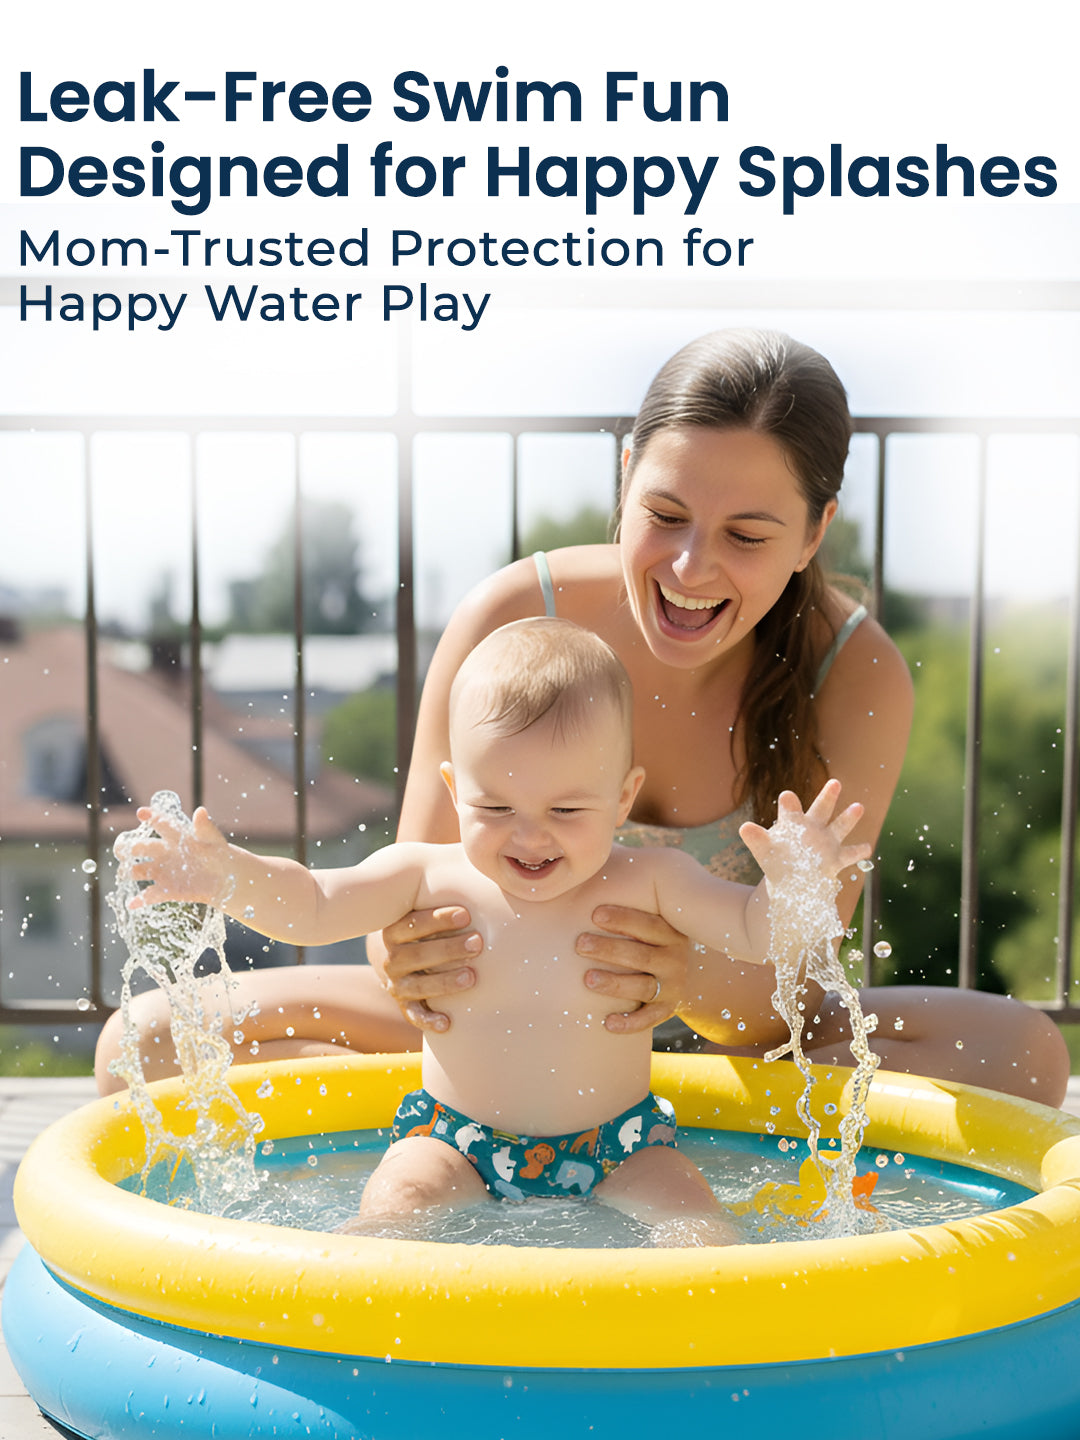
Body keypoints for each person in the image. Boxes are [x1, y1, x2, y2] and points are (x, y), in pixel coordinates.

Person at [95, 328, 1070, 1105]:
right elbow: (405, 935)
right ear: (626, 477)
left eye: (746, 534)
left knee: (1022, 1055)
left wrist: (671, 971)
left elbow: (778, 993)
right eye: (666, 515)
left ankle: (646, 1127)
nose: (690, 569)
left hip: (734, 1053)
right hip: (497, 1018)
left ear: (815, 532)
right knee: (143, 1044)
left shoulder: (854, 675)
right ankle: (477, 1120)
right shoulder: (516, 617)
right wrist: (472, 975)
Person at [119, 619, 869, 1240]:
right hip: (456, 1142)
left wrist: (794, 886)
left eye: (567, 810)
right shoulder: (425, 873)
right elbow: (314, 903)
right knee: (393, 1213)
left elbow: (752, 933)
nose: (530, 835)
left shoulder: (653, 879)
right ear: (455, 790)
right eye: (495, 808)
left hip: (623, 1145)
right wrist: (230, 876)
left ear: (623, 798)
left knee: (701, 1230)